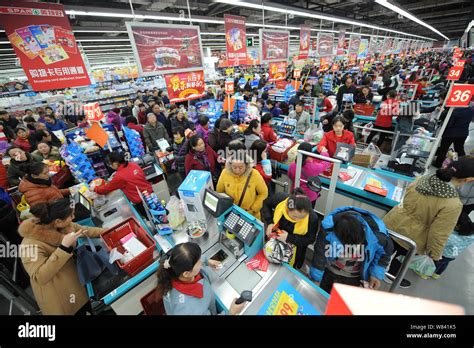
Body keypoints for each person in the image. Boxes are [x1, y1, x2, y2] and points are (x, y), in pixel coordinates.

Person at [383, 157, 474, 287]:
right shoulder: (453, 204)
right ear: (468, 180)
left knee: (381, 251)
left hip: (393, 221)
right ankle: (391, 277)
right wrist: (435, 254)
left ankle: (369, 271)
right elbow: (439, 233)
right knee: (401, 259)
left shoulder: (422, 179)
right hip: (413, 236)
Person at [18, 199, 107, 315]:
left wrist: (112, 231)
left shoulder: (63, 225)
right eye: (71, 215)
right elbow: (39, 276)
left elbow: (86, 230)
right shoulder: (29, 245)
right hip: (60, 297)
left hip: (77, 283)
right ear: (58, 221)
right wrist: (63, 248)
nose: (74, 217)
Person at [310, 206, 393, 293]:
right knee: (323, 297)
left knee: (342, 302)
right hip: (330, 271)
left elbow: (384, 254)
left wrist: (376, 274)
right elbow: (320, 255)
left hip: (354, 277)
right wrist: (316, 279)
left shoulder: (377, 236)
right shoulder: (328, 229)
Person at [156, 242, 245, 315]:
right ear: (186, 273)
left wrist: (207, 261)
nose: (201, 262)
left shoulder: (173, 270)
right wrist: (231, 313)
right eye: (199, 261)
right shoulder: (190, 309)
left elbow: (192, 258)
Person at [261, 188, 319, 269]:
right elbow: (266, 204)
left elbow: (310, 239)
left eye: (302, 217)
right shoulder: (281, 200)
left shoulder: (312, 218)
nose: (298, 220)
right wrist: (270, 222)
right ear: (287, 209)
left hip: (296, 249)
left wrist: (289, 238)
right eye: (295, 217)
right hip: (274, 239)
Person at [93, 152, 153, 216]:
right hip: (151, 194)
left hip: (142, 202)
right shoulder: (133, 164)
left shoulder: (119, 176)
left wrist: (94, 188)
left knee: (152, 219)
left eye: (110, 164)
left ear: (115, 163)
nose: (110, 166)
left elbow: (104, 190)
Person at [216, 149, 268, 220]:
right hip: (231, 213)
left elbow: (263, 193)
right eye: (234, 167)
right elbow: (219, 192)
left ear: (246, 165)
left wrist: (254, 208)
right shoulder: (225, 173)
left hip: (250, 214)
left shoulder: (254, 174)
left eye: (241, 168)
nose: (237, 171)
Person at [431, 212, 474, 279]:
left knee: (435, 263)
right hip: (453, 255)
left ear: (458, 226)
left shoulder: (452, 237)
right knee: (444, 264)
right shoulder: (471, 236)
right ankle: (437, 274)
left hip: (444, 254)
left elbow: (441, 242)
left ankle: (428, 273)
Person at [433, 102, 473, 168]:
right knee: (459, 149)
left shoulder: (454, 111)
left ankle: (438, 164)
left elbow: (448, 124)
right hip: (463, 133)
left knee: (444, 149)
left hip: (450, 133)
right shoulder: (471, 110)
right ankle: (463, 164)